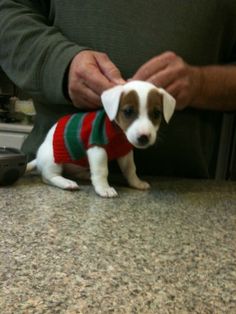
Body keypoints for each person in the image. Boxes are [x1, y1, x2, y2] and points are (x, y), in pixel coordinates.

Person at [0, 1, 236, 178]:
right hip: (55, 179)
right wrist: (59, 62)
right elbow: (6, 11)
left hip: (185, 192)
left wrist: (203, 83)